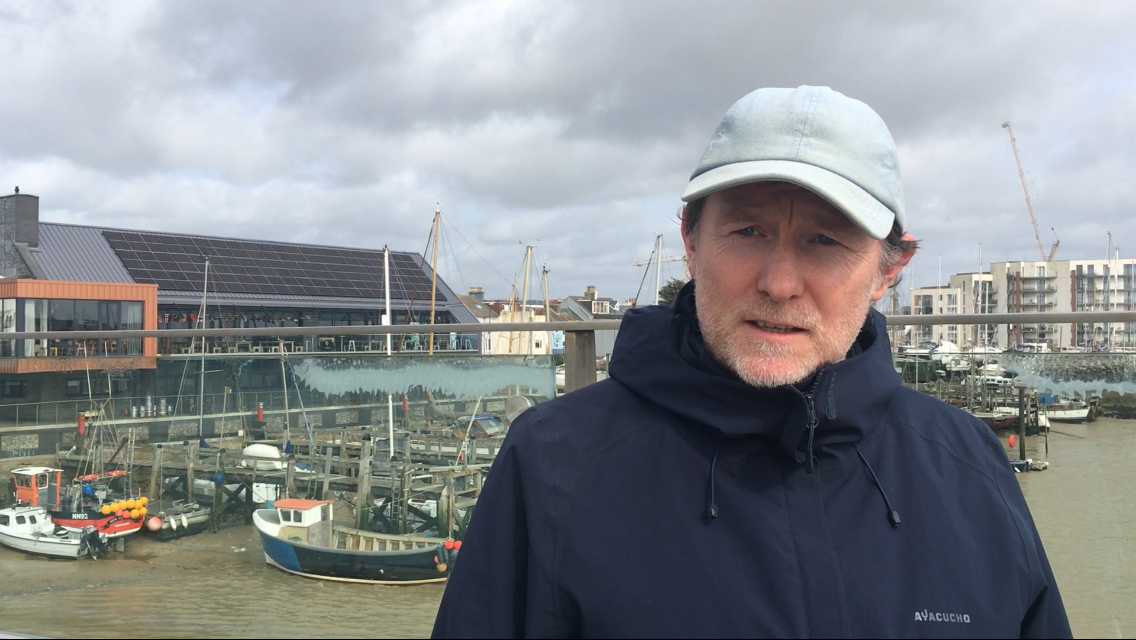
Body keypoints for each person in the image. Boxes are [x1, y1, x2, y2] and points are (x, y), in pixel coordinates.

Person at [432, 86, 1070, 638]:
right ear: (691, 242)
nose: (780, 283)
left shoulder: (968, 464)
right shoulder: (552, 465)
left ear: (888, 270)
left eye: (825, 240)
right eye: (747, 232)